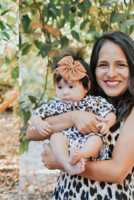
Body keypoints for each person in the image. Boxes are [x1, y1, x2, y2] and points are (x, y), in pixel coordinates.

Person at [27, 31, 134, 199]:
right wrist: (74, 117)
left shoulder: (131, 109)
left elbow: (117, 172)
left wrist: (60, 163)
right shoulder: (82, 100)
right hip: (66, 193)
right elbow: (31, 132)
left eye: (121, 65)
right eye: (103, 65)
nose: (111, 73)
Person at [30, 49, 116, 175]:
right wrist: (38, 124)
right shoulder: (55, 105)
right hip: (65, 141)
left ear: (86, 87)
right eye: (60, 87)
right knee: (56, 138)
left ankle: (79, 155)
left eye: (71, 87)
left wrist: (107, 124)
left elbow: (110, 113)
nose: (65, 92)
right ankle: (67, 165)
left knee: (96, 138)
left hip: (86, 139)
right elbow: (36, 115)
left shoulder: (93, 101)